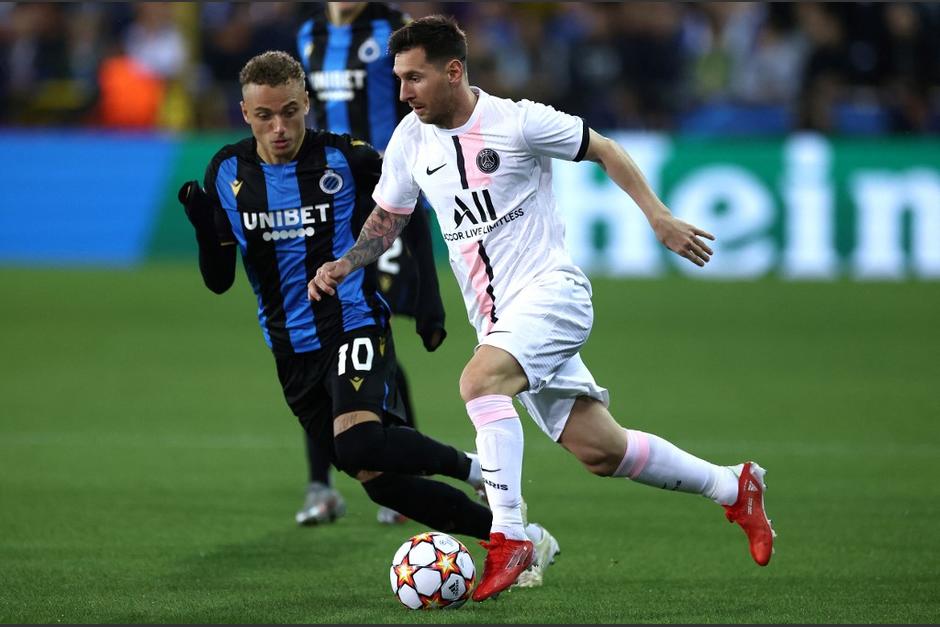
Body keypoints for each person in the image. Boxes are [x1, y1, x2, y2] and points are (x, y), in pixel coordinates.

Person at [308, 16, 776, 603]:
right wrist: (347, 262)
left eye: (415, 78)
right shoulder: (410, 139)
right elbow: (389, 218)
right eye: (399, 79)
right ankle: (734, 487)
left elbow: (604, 149)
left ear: (454, 71)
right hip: (500, 321)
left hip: (552, 294)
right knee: (602, 451)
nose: (403, 93)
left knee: (479, 383)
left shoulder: (518, 121)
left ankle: (509, 537)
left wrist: (658, 215)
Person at [178, 50, 556, 558]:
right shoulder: (226, 171)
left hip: (352, 321)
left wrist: (427, 302)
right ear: (246, 115)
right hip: (290, 347)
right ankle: (517, 539)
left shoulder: (347, 158)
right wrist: (206, 228)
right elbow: (219, 281)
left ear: (307, 103)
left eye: (290, 111)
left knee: (358, 443)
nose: (280, 127)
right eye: (265, 115)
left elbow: (409, 213)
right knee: (377, 479)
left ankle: (473, 469)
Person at [294, 1, 446, 527]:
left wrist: (431, 299)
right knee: (323, 340)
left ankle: (398, 475)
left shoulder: (389, 27)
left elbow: (416, 100)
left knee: (368, 335)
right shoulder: (308, 34)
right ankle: (323, 486)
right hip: (324, 201)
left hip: (385, 200)